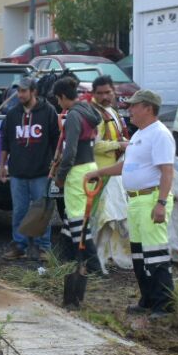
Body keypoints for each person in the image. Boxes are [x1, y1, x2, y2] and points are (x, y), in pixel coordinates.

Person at [86, 90, 175, 317]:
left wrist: (161, 203)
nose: (130, 110)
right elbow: (126, 166)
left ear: (148, 108)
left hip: (151, 199)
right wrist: (99, 172)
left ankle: (164, 305)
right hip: (136, 200)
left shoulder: (160, 134)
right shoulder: (138, 135)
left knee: (155, 253)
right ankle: (147, 299)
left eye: (134, 106)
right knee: (138, 254)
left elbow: (167, 171)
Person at [0, 76, 60, 259]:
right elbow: (6, 141)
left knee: (42, 210)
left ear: (34, 91)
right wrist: (2, 165)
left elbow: (56, 140)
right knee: (19, 211)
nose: (20, 94)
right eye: (18, 91)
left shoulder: (48, 111)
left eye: (24, 91)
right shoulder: (12, 114)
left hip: (42, 172)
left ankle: (44, 248)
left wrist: (56, 165)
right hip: (18, 172)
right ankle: (19, 246)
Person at [51, 77, 103, 270]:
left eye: (58, 99)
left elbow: (70, 151)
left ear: (63, 97)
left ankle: (94, 267)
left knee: (77, 220)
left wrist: (61, 176)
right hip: (90, 166)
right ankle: (66, 259)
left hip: (77, 170)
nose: (58, 103)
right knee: (70, 218)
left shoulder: (73, 115)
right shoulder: (88, 110)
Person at [90, 75, 131, 170]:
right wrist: (119, 145)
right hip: (99, 171)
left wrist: (129, 143)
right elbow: (93, 145)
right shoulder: (94, 114)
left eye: (107, 92)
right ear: (93, 94)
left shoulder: (111, 110)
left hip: (112, 168)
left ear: (113, 91)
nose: (104, 97)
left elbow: (117, 136)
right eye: (99, 93)